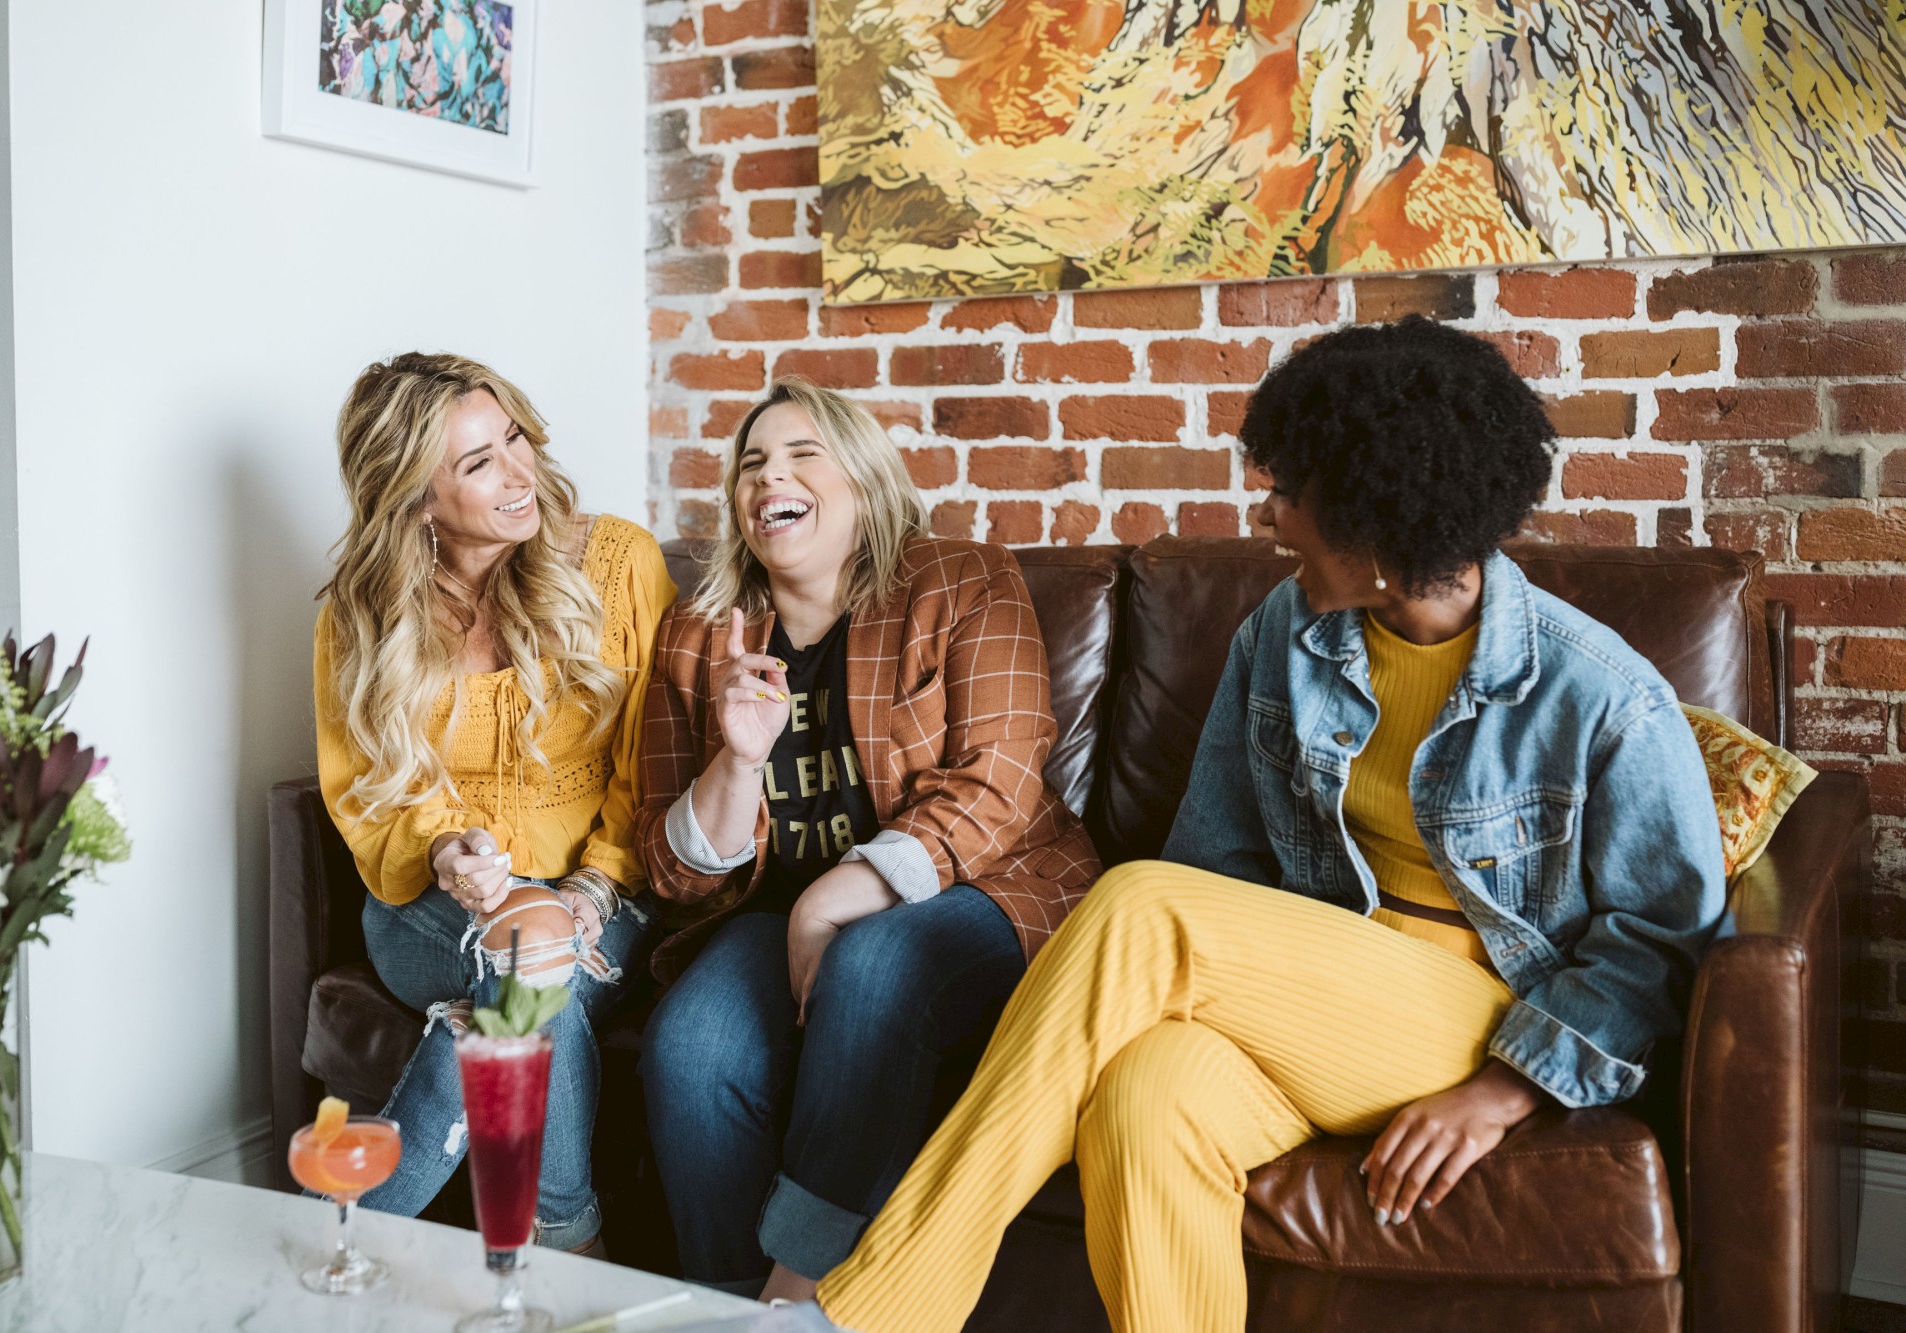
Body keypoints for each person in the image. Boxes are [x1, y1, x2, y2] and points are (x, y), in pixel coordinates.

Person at [814, 317, 1728, 1333]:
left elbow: (1658, 944)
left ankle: (883, 1307)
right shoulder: (1283, 636)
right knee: (1143, 1100)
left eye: (1290, 491)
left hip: (1476, 1015)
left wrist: (1505, 1090)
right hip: (1316, 1003)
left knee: (1137, 904)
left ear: (1375, 524)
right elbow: (1218, 864)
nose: (1269, 514)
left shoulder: (1598, 694)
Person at [632, 377, 1101, 1303]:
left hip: (988, 889)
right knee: (689, 1046)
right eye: (752, 463)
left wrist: (833, 896)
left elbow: (1001, 781)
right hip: (773, 913)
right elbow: (670, 866)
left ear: (867, 481)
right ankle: (728, 1304)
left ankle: (797, 1296)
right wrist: (735, 760)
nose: (773, 475)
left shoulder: (964, 578)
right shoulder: (695, 635)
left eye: (804, 453)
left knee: (875, 963)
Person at [313, 351, 675, 1254]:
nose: (522, 475)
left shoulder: (618, 562)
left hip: (605, 889)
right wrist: (448, 851)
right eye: (478, 464)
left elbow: (653, 761)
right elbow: (364, 791)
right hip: (427, 904)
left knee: (535, 956)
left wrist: (590, 888)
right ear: (416, 499)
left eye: (513, 438)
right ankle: (564, 1248)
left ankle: (341, 1250)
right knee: (533, 960)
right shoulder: (362, 613)